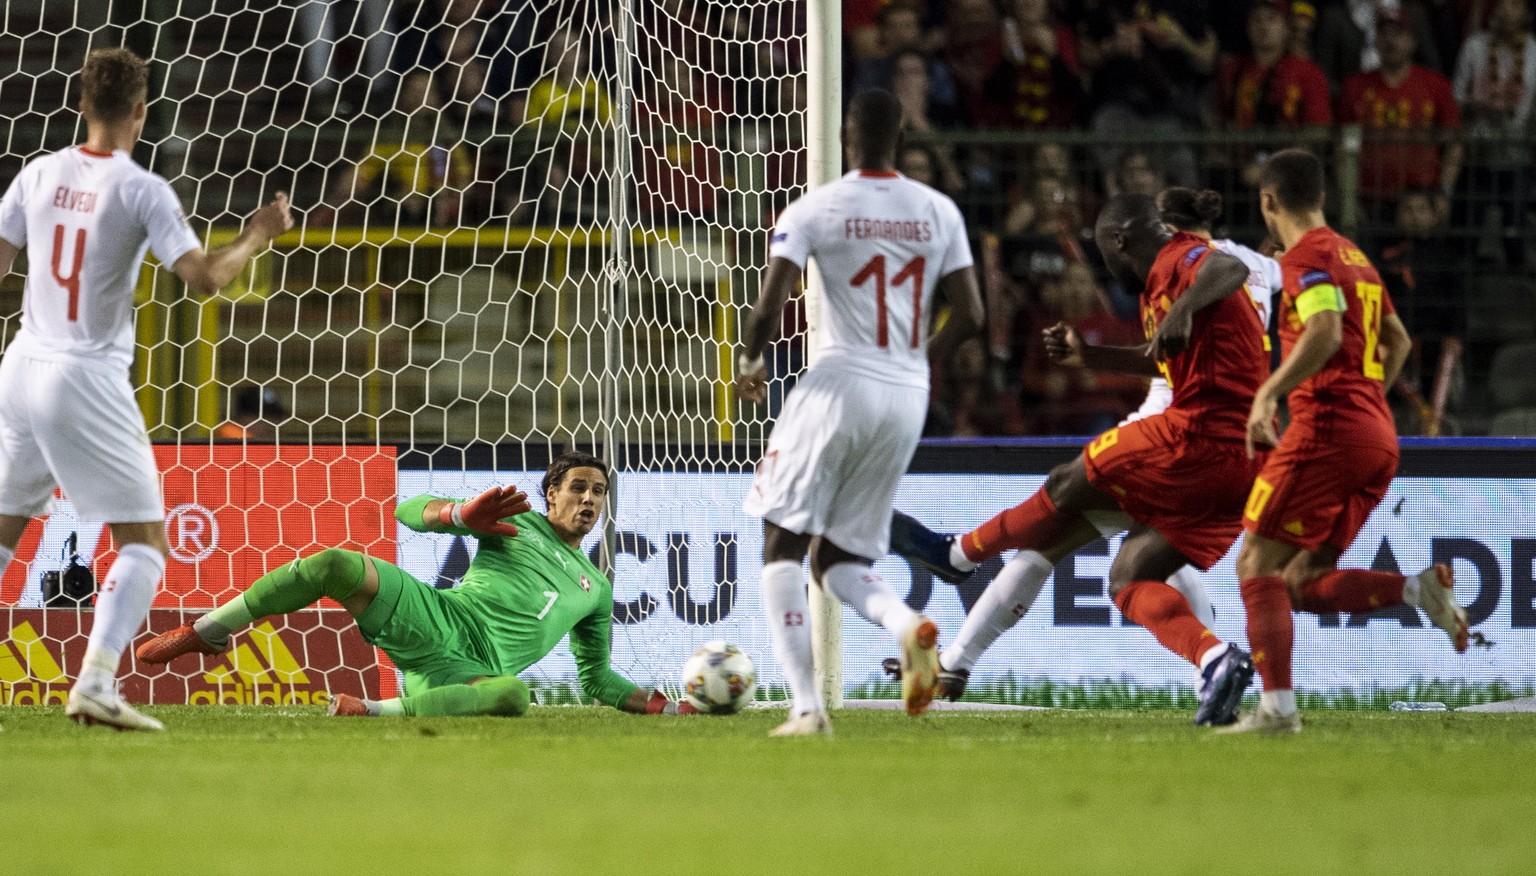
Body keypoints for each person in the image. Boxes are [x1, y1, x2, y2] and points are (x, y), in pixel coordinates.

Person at [893, 193, 1268, 728]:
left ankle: (958, 555)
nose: (1102, 267)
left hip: (1198, 435)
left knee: (1069, 482)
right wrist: (1085, 353)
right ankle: (1214, 660)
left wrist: (1183, 308)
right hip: (1242, 462)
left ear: (1119, 241)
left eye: (1100, 251)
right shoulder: (1161, 287)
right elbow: (1159, 353)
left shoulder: (1181, 258)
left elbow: (1228, 266)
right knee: (1128, 580)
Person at [0, 47, 293, 731]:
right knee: (145, 542)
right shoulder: (141, 189)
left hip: (21, 366)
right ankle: (97, 681)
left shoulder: (36, 174)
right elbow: (204, 278)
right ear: (140, 110)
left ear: (79, 103)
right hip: (84, 375)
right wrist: (257, 235)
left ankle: (96, 684)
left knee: (5, 528)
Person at [734, 89, 984, 736]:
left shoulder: (816, 207)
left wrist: (751, 365)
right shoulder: (939, 210)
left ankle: (808, 708)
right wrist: (915, 364)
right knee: (837, 560)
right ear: (902, 134)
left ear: (848, 135)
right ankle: (909, 628)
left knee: (781, 543)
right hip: (906, 395)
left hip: (839, 382)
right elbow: (974, 316)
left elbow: (768, 307)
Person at [137, 451, 698, 718]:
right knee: (336, 563)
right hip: (440, 615)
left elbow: (596, 678)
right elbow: (407, 509)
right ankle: (210, 630)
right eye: (578, 487)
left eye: (599, 492)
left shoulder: (597, 588)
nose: (590, 500)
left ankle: (376, 710)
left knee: (511, 695)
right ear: (550, 493)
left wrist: (672, 709)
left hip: (465, 669)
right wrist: (459, 516)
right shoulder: (516, 521)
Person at [1225, 148, 1469, 734]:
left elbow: (1326, 331)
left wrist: (1271, 394)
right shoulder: (1353, 255)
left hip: (1328, 431)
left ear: (1268, 201)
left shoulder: (1305, 259)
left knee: (1255, 562)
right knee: (1298, 582)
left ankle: (1277, 712)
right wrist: (1367, 401)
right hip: (1376, 437)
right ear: (1323, 198)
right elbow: (1400, 340)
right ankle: (1416, 591)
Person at [1338, 7, 1462, 223]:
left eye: (1398, 34)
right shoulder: (1355, 86)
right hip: (1370, 199)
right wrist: (1349, 199)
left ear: (1412, 42)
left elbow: (1454, 143)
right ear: (1375, 41)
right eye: (1384, 34)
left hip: (1420, 202)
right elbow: (1342, 148)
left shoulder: (1435, 85)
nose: (1391, 41)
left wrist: (1444, 193)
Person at [215, 385, 289, 441]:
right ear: (242, 417)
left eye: (275, 416)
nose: (271, 423)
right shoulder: (230, 440)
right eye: (263, 416)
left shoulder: (260, 445)